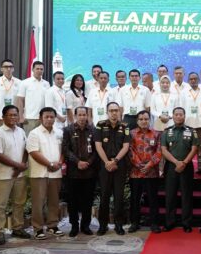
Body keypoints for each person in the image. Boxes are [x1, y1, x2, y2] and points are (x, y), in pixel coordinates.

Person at [0, 105, 30, 245]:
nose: (13, 117)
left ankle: (17, 228)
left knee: (19, 203)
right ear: (3, 117)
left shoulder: (21, 131)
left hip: (19, 174)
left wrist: (21, 165)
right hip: (3, 175)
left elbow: (26, 150)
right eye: (10, 115)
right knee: (0, 205)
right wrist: (18, 166)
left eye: (15, 115)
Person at [26, 107, 64, 239]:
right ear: (40, 118)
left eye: (52, 117)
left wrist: (59, 163)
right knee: (38, 202)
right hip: (39, 173)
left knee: (54, 200)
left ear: (55, 118)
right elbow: (33, 152)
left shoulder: (59, 133)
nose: (49, 119)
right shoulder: (34, 133)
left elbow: (63, 151)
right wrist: (49, 164)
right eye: (46, 117)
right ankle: (37, 228)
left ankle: (52, 225)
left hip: (56, 173)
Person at [94, 102, 130, 235]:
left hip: (119, 164)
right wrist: (107, 162)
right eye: (111, 110)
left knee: (119, 196)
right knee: (104, 196)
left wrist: (115, 161)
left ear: (120, 112)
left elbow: (126, 146)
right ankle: (102, 225)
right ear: (107, 112)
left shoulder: (125, 126)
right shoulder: (100, 125)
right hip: (105, 165)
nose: (114, 113)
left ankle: (118, 225)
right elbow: (98, 145)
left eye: (116, 110)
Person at [161, 107, 199, 232]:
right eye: (176, 114)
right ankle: (169, 222)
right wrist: (176, 162)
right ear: (172, 116)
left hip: (186, 166)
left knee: (186, 195)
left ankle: (186, 223)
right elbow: (164, 150)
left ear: (184, 116)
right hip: (171, 167)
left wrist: (184, 162)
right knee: (170, 195)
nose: (178, 116)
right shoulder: (166, 132)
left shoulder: (192, 131)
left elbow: (194, 148)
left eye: (181, 114)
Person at [62, 106, 97, 237]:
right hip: (73, 172)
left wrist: (89, 162)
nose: (82, 117)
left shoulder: (93, 130)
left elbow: (97, 150)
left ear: (87, 116)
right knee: (73, 201)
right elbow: (65, 149)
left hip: (89, 171)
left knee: (87, 200)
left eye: (84, 115)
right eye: (80, 115)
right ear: (75, 116)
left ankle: (85, 225)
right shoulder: (68, 130)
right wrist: (77, 162)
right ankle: (74, 226)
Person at [128, 111, 162, 233]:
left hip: (151, 172)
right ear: (137, 121)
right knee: (135, 199)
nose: (144, 121)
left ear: (149, 120)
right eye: (141, 119)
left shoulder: (156, 134)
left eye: (146, 119)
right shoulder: (131, 134)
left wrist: (149, 165)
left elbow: (159, 151)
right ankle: (134, 223)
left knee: (153, 199)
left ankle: (154, 223)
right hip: (135, 172)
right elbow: (130, 150)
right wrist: (139, 165)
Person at [16, 61, 50, 135]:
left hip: (43, 118)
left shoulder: (46, 84)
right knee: (30, 139)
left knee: (43, 139)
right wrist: (20, 116)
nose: (39, 71)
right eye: (37, 69)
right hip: (29, 118)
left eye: (41, 69)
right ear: (32, 69)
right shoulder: (25, 83)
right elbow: (20, 100)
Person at [0, 59, 20, 126]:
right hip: (0, 115)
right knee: (0, 132)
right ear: (1, 69)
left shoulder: (19, 82)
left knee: (14, 132)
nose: (8, 69)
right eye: (6, 67)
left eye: (11, 67)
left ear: (13, 69)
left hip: (14, 115)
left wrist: (19, 115)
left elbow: (20, 100)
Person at [180, 72, 201, 139]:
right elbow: (181, 108)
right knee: (188, 143)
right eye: (191, 79)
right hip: (187, 123)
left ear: (199, 80)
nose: (193, 80)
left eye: (195, 79)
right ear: (188, 81)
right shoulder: (183, 92)